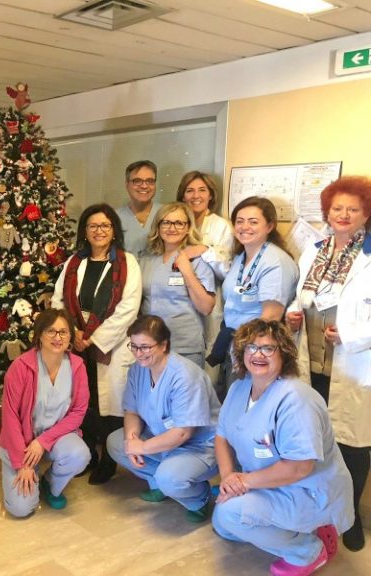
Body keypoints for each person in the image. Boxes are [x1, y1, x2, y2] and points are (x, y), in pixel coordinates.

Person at [212, 319, 353, 576]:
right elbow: (221, 436)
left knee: (230, 513)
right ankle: (295, 529)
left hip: (306, 490)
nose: (258, 354)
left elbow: (299, 468)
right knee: (223, 524)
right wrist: (228, 477)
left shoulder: (296, 399)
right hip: (267, 482)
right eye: (251, 347)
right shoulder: (238, 388)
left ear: (284, 354)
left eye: (268, 348)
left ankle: (309, 550)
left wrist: (242, 483)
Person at [285, 175, 371, 551]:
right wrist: (292, 313)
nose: (344, 214)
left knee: (352, 444)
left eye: (353, 209)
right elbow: (299, 293)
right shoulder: (314, 249)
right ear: (327, 211)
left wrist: (351, 336)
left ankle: (349, 518)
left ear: (366, 213)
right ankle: (318, 509)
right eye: (337, 208)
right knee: (313, 439)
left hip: (352, 363)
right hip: (312, 359)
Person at [52, 203, 142, 484]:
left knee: (111, 406)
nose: (99, 231)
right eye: (93, 226)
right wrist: (73, 334)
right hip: (77, 344)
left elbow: (129, 308)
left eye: (105, 225)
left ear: (114, 230)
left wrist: (94, 338)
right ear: (85, 232)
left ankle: (109, 461)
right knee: (82, 402)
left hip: (110, 348)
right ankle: (88, 452)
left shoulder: (128, 263)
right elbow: (59, 300)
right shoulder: (73, 263)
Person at [107, 315, 220, 522]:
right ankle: (159, 484)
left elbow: (183, 432)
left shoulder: (185, 376)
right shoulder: (138, 370)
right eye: (134, 346)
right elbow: (132, 411)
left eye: (145, 347)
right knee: (116, 442)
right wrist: (132, 438)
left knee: (170, 477)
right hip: (161, 438)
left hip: (199, 447)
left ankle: (198, 497)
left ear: (163, 345)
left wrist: (141, 448)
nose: (138, 354)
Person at [0, 309, 90, 517]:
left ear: (70, 337)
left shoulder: (77, 367)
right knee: (21, 509)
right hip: (21, 444)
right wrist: (23, 464)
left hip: (55, 438)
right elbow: (10, 418)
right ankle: (25, 470)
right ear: (39, 334)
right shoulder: (20, 367)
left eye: (63, 332)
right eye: (51, 331)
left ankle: (50, 484)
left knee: (79, 455)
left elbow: (78, 412)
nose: (58, 338)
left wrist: (42, 442)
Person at [212, 196, 298, 392]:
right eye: (239, 221)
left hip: (257, 351)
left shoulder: (275, 262)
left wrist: (248, 352)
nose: (245, 227)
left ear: (269, 226)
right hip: (235, 344)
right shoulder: (241, 256)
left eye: (253, 222)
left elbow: (271, 317)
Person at [140, 202, 216, 368]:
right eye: (166, 222)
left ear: (188, 227)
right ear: (158, 226)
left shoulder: (197, 259)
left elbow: (206, 307)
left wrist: (187, 271)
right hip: (149, 345)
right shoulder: (146, 258)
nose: (172, 228)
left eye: (179, 223)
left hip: (184, 346)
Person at [115, 160, 163, 256]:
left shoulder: (166, 214)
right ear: (127, 184)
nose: (144, 186)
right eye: (137, 181)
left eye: (150, 181)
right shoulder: (114, 218)